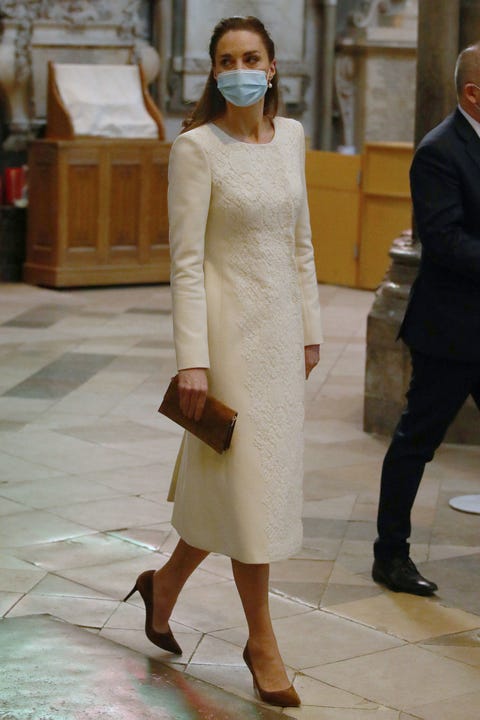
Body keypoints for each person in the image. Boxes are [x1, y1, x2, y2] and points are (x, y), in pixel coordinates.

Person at [124, 16, 322, 708]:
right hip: (227, 343)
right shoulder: (196, 150)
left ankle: (164, 586)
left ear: (271, 68)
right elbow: (184, 265)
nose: (240, 67)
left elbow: (300, 242)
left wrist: (311, 329)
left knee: (238, 487)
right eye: (227, 59)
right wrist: (193, 361)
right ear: (214, 72)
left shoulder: (293, 136)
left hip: (280, 339)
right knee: (247, 494)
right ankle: (262, 641)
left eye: (252, 56)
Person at [372, 42, 480, 596]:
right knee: (417, 441)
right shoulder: (439, 151)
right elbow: (445, 242)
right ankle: (390, 555)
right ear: (472, 94)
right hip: (452, 331)